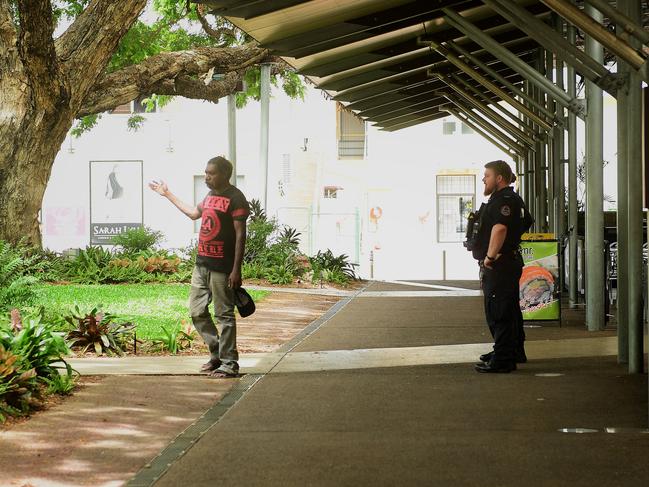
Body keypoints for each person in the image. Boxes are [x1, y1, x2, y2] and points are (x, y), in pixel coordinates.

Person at [149, 156, 249, 378]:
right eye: (205, 173)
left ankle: (230, 364)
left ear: (224, 174)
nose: (206, 177)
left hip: (223, 267)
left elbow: (241, 235)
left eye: (211, 173)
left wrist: (236, 269)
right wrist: (167, 194)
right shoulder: (211, 195)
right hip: (202, 263)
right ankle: (217, 355)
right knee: (197, 311)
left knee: (224, 316)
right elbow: (194, 213)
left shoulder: (236, 198)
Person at [473, 160, 530, 373]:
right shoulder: (513, 199)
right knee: (510, 310)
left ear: (499, 178)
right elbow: (526, 221)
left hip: (500, 264)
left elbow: (499, 229)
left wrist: (490, 256)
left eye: (486, 175)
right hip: (509, 261)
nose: (483, 179)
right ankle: (510, 350)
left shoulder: (503, 200)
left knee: (499, 311)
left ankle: (504, 358)